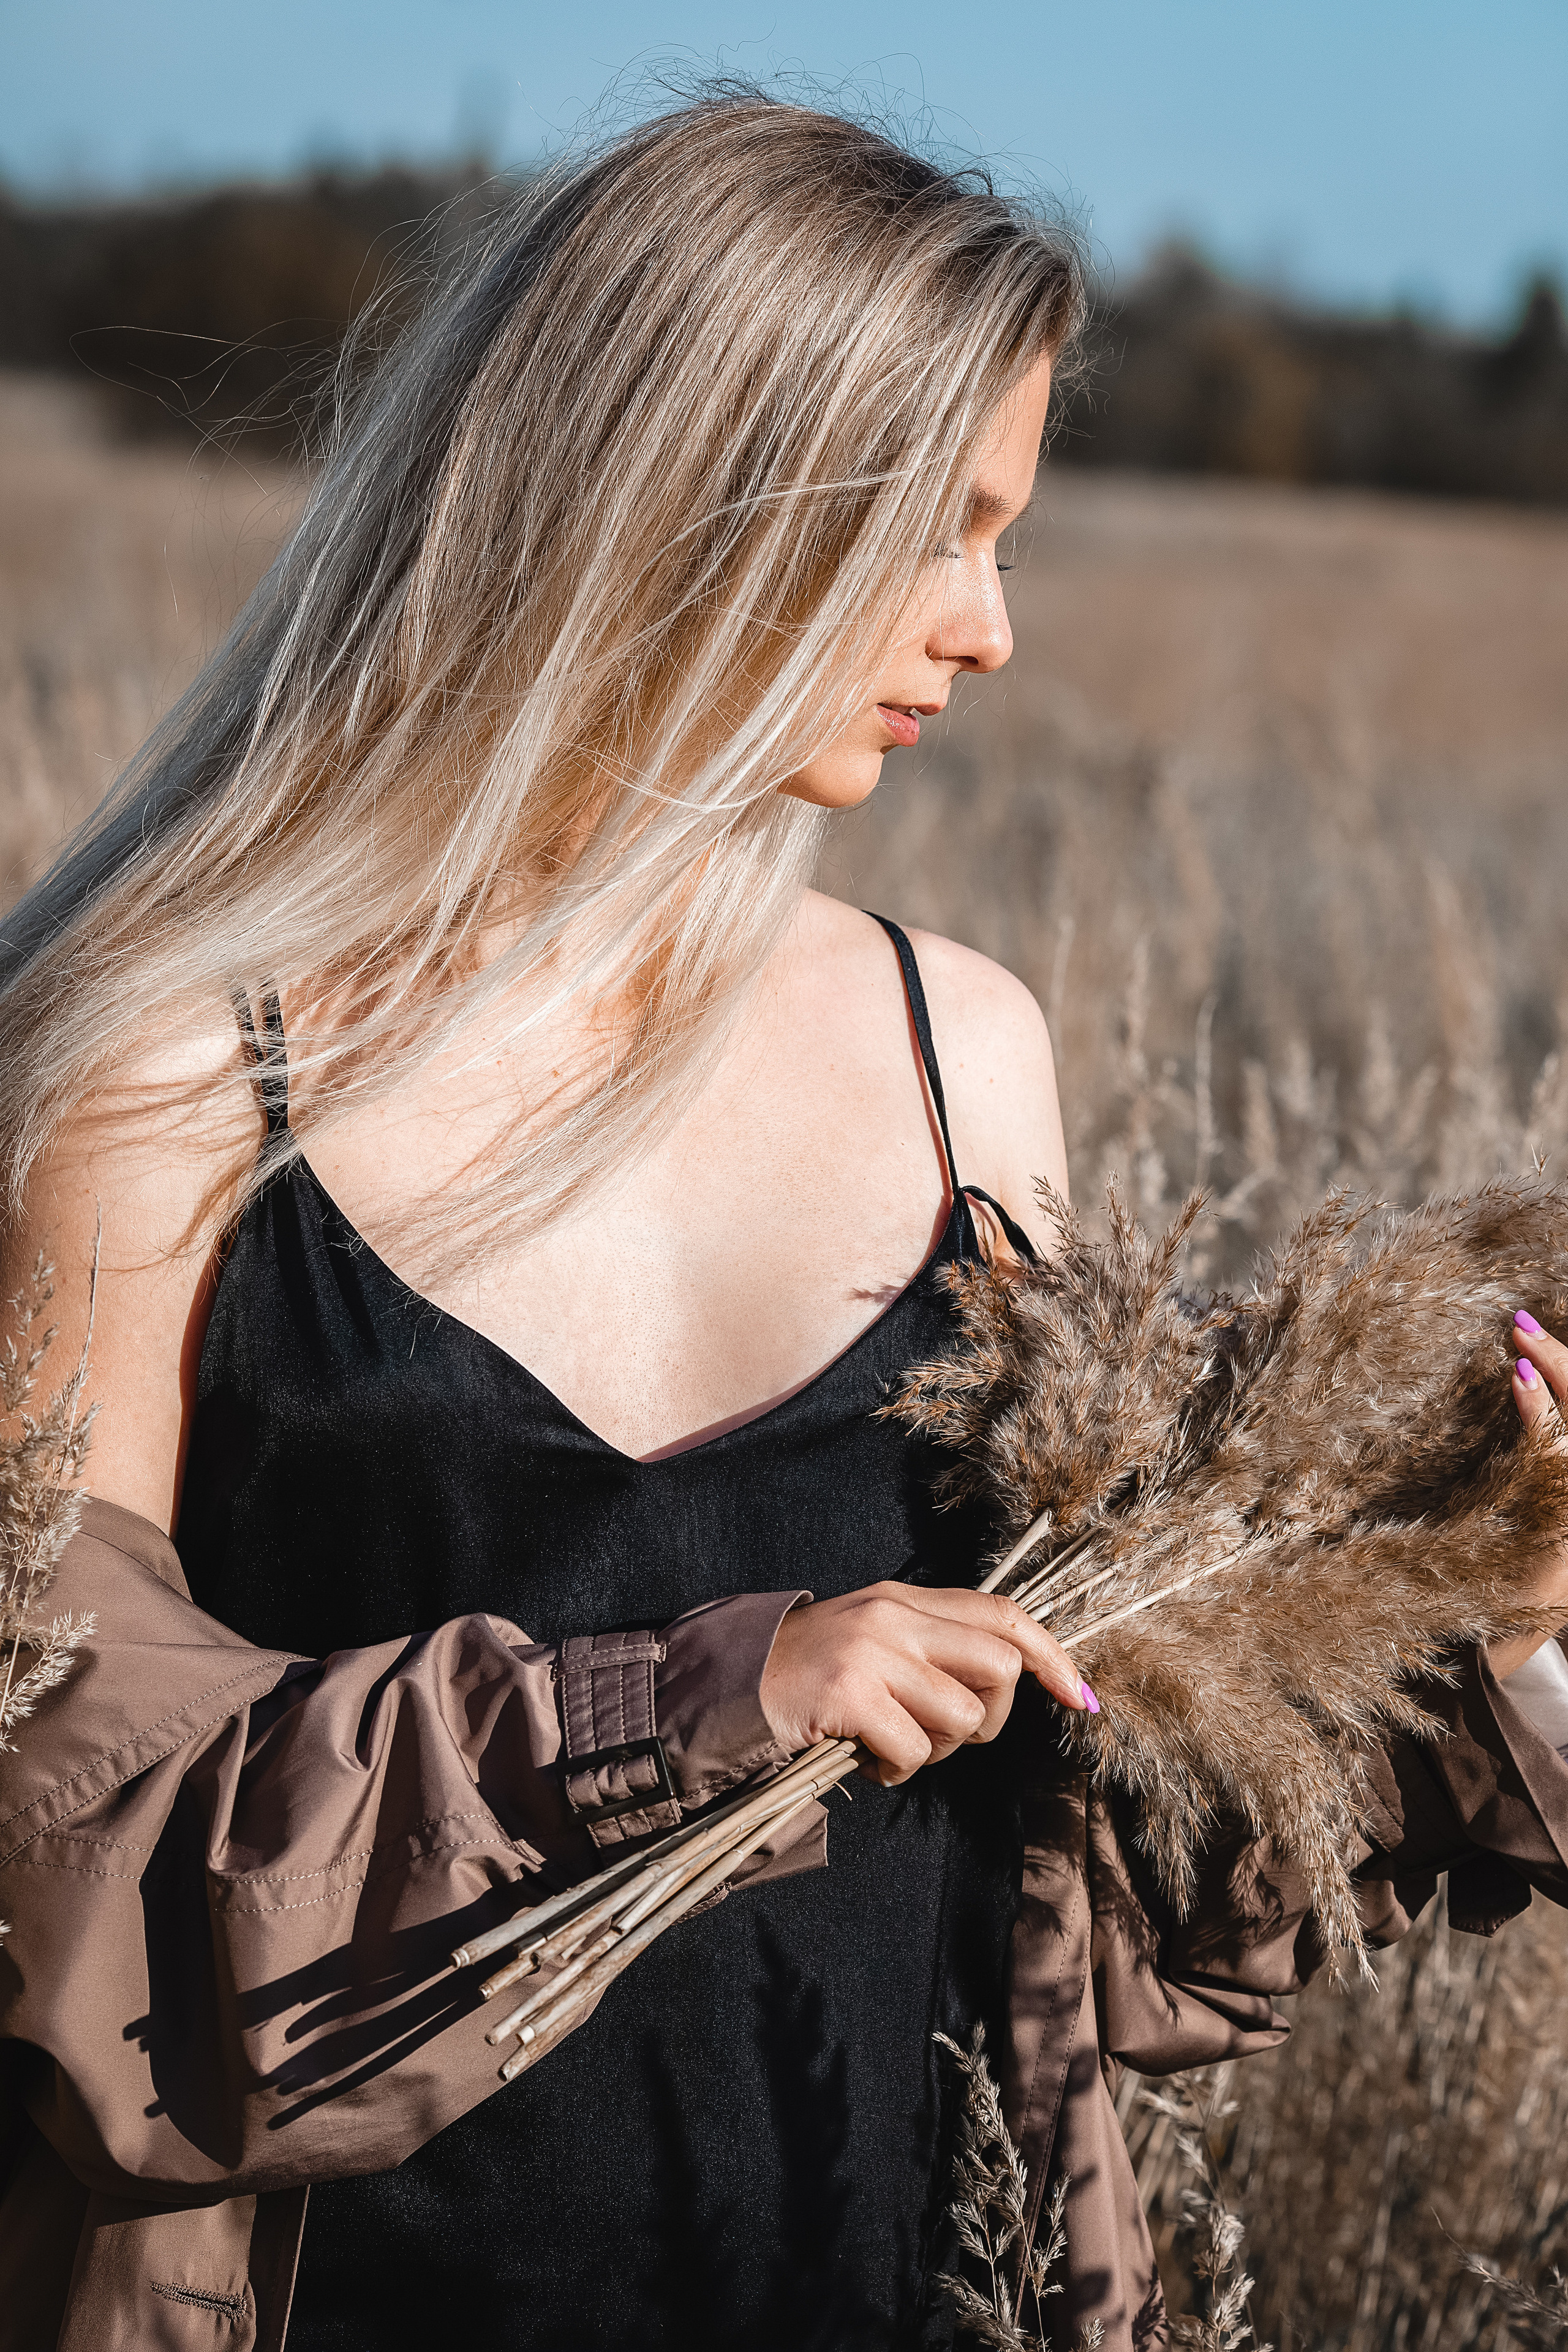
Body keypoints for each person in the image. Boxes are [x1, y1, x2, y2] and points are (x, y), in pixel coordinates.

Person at [0, 93, 1565, 2352]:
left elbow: (1065, 1881)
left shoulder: (964, 1058)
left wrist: (1449, 1639)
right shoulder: (162, 1080)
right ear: (699, 495)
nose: (994, 630)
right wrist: (701, 1699)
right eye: (940, 527)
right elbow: (65, 1867)